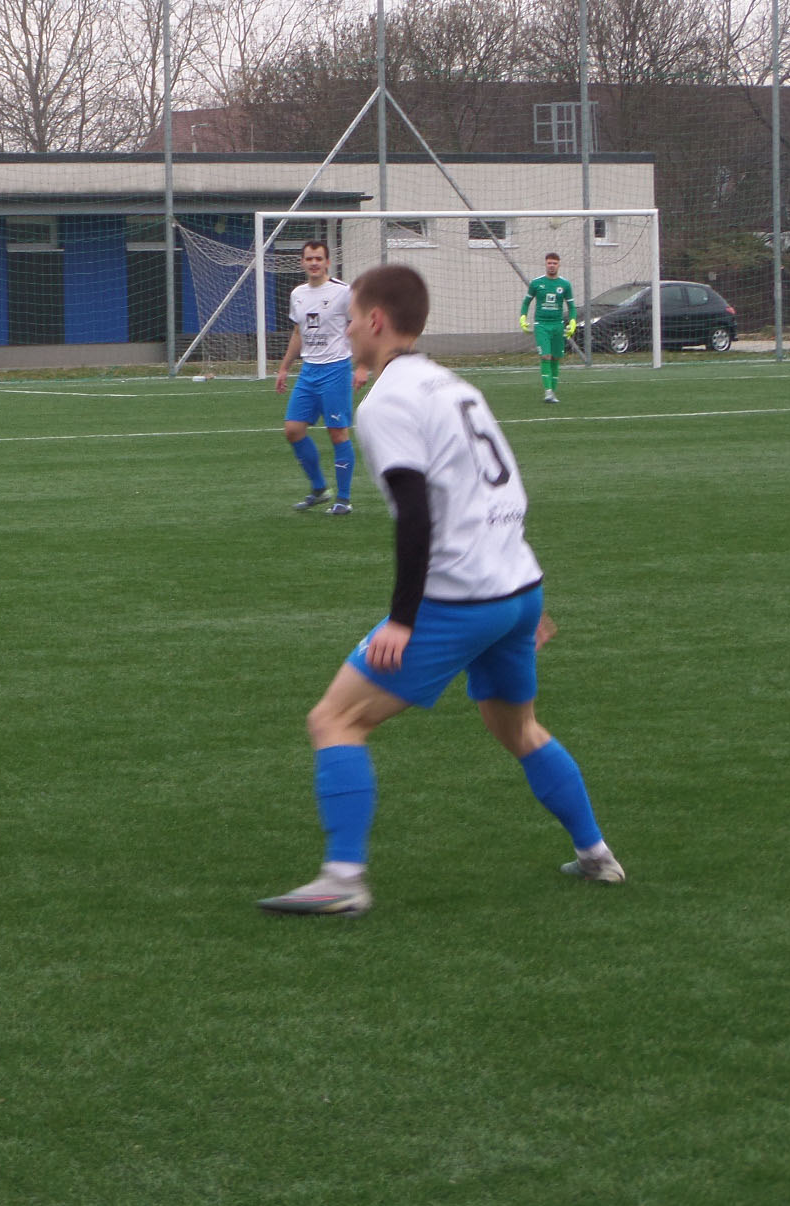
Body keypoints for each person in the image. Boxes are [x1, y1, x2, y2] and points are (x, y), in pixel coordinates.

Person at [258, 263, 624, 917]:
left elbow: (415, 516)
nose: (345, 329)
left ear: (375, 321)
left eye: (351, 318)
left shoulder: (388, 403)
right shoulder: (454, 386)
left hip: (460, 600)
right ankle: (596, 853)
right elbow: (503, 491)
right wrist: (523, 591)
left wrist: (403, 619)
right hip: (514, 590)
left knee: (334, 719)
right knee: (518, 728)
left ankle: (343, 879)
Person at [274, 239, 361, 516]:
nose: (314, 263)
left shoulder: (343, 292)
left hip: (336, 369)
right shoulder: (298, 294)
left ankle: (344, 500)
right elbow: (298, 333)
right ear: (302, 262)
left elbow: (360, 328)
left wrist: (362, 366)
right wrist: (284, 368)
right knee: (293, 430)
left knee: (337, 433)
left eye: (318, 258)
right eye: (309, 259)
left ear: (327, 262)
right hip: (309, 371)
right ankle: (320, 489)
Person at [520, 252, 578, 403]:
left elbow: (571, 307)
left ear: (559, 265)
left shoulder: (565, 284)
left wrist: (572, 322)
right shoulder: (536, 283)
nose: (552, 266)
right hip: (541, 325)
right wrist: (523, 318)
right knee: (545, 356)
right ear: (545, 264)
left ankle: (553, 392)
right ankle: (548, 392)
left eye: (554, 263)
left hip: (558, 325)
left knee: (556, 358)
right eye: (549, 263)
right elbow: (526, 302)